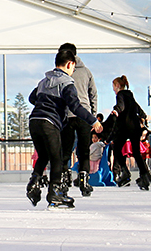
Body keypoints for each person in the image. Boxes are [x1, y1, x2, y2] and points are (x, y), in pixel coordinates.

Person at [26, 50, 102, 209]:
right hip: (49, 123)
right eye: (73, 68)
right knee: (57, 158)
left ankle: (34, 183)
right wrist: (93, 121)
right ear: (70, 64)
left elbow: (32, 98)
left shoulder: (44, 81)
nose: (73, 72)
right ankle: (55, 193)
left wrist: (44, 105)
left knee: (44, 155)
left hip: (34, 121)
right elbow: (76, 107)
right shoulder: (67, 83)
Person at [57, 43, 98, 197]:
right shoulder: (86, 72)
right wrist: (93, 115)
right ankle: (84, 179)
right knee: (84, 150)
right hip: (84, 115)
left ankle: (64, 178)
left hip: (67, 115)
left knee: (65, 150)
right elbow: (93, 93)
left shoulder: (61, 73)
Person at [111, 75, 151, 190]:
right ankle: (144, 176)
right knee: (136, 152)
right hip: (135, 127)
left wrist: (116, 110)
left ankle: (125, 172)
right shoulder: (130, 95)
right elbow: (137, 107)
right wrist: (144, 116)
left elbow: (121, 106)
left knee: (117, 149)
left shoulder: (121, 94)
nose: (113, 89)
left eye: (113, 86)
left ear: (118, 85)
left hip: (125, 126)